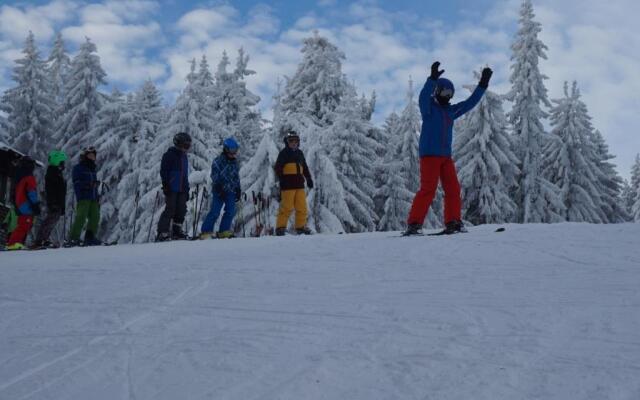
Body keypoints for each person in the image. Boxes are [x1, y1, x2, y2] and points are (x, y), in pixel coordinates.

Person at [404, 61, 492, 236]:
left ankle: (453, 221)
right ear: (437, 91)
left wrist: (483, 85)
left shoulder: (450, 111)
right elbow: (422, 97)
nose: (448, 96)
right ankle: (414, 224)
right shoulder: (428, 108)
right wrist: (432, 79)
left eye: (450, 93)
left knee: (453, 188)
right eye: (444, 91)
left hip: (445, 157)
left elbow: (469, 103)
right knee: (428, 189)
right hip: (429, 155)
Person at [200, 138, 241, 239]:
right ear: (226, 149)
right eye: (231, 150)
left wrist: (238, 189)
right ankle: (206, 231)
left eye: (235, 150)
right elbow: (214, 175)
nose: (233, 153)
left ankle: (224, 230)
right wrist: (218, 186)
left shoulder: (235, 163)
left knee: (231, 210)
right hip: (219, 190)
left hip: (231, 190)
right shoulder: (218, 161)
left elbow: (236, 177)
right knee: (215, 211)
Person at [274, 130, 314, 236]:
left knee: (302, 207)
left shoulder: (300, 153)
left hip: (299, 185)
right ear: (287, 142)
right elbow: (278, 168)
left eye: (296, 141)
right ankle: (280, 228)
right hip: (287, 186)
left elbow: (304, 167)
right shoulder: (284, 153)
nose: (294, 143)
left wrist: (309, 179)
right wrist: (282, 179)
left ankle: (300, 227)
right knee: (286, 207)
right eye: (291, 141)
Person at [157, 132, 191, 241]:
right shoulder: (169, 155)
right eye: (186, 146)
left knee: (181, 209)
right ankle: (163, 232)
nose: (187, 148)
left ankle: (177, 231)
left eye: (189, 146)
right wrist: (166, 184)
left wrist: (187, 189)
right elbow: (164, 171)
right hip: (172, 188)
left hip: (182, 188)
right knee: (170, 209)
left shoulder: (184, 157)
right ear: (179, 144)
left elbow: (185, 175)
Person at [32, 150, 67, 249]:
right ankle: (40, 240)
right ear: (57, 161)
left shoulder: (57, 173)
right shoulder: (53, 173)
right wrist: (53, 203)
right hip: (54, 202)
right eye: (62, 162)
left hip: (57, 202)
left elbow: (61, 191)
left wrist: (62, 205)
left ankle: (44, 239)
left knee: (53, 221)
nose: (63, 164)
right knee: (49, 221)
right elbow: (52, 190)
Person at [68, 147, 102, 246]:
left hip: (93, 197)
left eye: (94, 155)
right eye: (90, 155)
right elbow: (76, 182)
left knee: (95, 216)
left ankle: (90, 237)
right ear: (85, 156)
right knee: (81, 217)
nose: (92, 157)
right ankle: (73, 238)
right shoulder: (78, 168)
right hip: (83, 197)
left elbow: (92, 183)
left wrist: (96, 188)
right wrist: (88, 185)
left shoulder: (93, 168)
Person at [6, 156, 41, 250]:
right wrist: (35, 205)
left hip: (19, 204)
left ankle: (15, 243)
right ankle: (12, 244)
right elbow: (31, 192)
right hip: (26, 204)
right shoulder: (29, 177)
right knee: (24, 225)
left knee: (23, 224)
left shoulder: (18, 176)